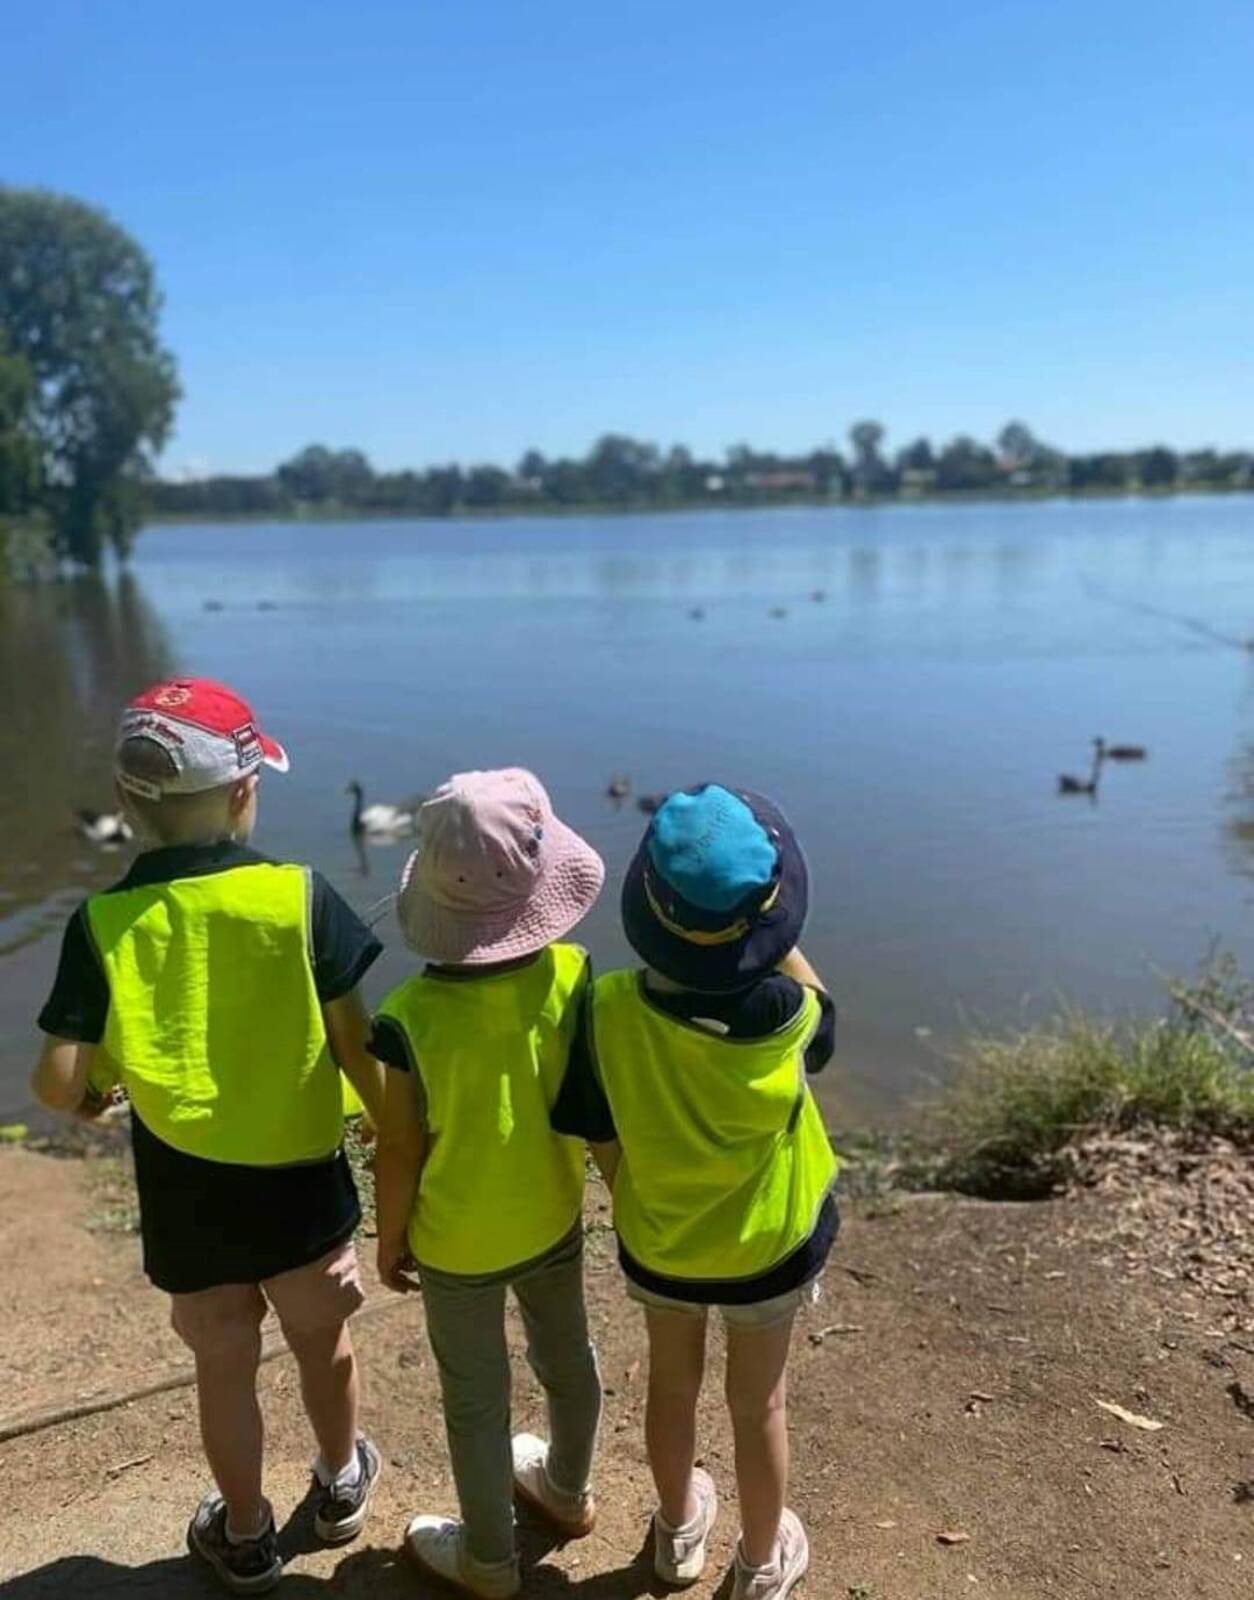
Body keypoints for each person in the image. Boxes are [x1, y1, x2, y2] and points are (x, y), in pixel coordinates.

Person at [31, 678, 387, 1597]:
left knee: (224, 1366)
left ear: (126, 799)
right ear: (243, 793)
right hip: (303, 1187)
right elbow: (362, 1052)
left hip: (188, 1200)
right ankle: (341, 1482)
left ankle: (245, 1533)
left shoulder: (100, 922)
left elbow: (58, 1081)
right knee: (323, 1344)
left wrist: (95, 1099)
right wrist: (400, 1145)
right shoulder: (300, 896)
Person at [552, 783, 838, 1600]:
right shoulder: (791, 1016)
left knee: (671, 1387)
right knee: (760, 1404)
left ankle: (678, 1530)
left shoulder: (607, 1009)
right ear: (769, 926)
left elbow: (593, 1125)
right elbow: (824, 1016)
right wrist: (773, 936)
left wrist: (633, 1191)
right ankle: (760, 1561)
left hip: (662, 1241)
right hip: (771, 1247)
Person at [371, 767, 606, 1600]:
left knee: (476, 1402)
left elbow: (398, 1149)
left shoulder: (408, 1016)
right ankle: (567, 1491)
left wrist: (389, 1237)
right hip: (552, 1216)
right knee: (567, 1357)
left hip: (455, 1244)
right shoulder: (574, 975)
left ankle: (488, 1560)